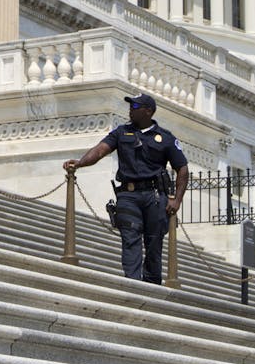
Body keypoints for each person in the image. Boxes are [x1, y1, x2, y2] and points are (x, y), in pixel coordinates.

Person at [62, 92, 188, 284]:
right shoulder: (121, 132)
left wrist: (176, 199)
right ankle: (133, 283)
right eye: (130, 106)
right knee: (130, 238)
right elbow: (100, 150)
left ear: (149, 111)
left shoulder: (166, 138)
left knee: (154, 241)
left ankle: (152, 283)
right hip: (128, 196)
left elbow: (182, 169)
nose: (131, 110)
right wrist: (80, 163)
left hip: (155, 196)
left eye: (135, 107)